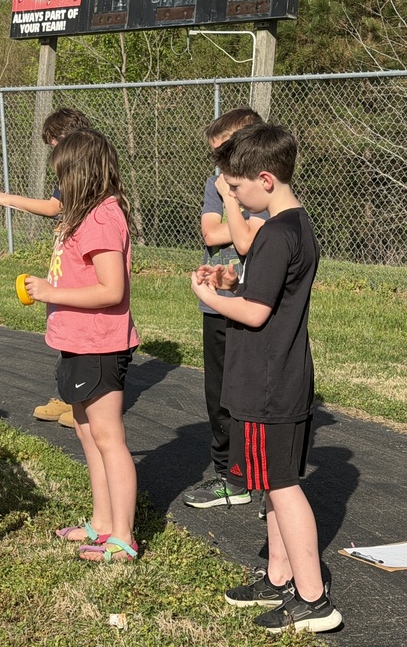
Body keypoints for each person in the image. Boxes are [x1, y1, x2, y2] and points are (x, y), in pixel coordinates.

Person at [190, 123, 342, 634]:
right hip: (283, 375)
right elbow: (268, 288)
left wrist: (210, 297)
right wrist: (235, 279)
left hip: (269, 379)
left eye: (236, 189)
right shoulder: (295, 227)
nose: (233, 197)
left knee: (282, 487)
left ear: (265, 179)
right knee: (275, 485)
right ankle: (280, 577)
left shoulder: (276, 233)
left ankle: (313, 598)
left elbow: (255, 313)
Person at [20, 128, 141, 560]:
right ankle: (102, 522)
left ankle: (122, 539)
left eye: (62, 175)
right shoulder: (83, 214)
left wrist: (51, 294)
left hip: (100, 345)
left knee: (109, 438)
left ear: (82, 174)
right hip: (77, 341)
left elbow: (111, 290)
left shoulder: (104, 218)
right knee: (89, 435)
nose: (58, 185)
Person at [184, 107, 267, 510]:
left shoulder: (267, 186)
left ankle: (254, 474)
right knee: (218, 394)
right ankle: (226, 474)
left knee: (250, 393)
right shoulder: (215, 184)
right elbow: (211, 232)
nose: (219, 164)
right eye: (215, 156)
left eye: (225, 152)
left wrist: (234, 213)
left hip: (254, 305)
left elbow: (248, 238)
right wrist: (237, 220)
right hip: (217, 306)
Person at [0, 107, 91, 427]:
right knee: (67, 333)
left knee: (85, 335)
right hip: (67, 261)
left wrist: (10, 199)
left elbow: (59, 209)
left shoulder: (89, 171)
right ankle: (70, 398)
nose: (52, 150)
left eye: (54, 143)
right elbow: (59, 209)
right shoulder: (68, 172)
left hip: (84, 268)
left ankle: (85, 405)